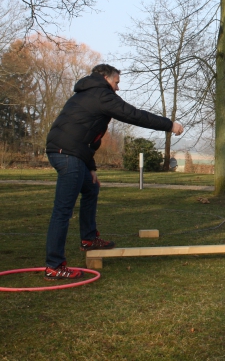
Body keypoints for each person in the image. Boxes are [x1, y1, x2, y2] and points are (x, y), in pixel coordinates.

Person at [44, 64, 184, 280]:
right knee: (63, 211)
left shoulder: (88, 93)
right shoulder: (101, 94)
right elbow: (133, 115)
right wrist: (169, 125)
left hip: (70, 152)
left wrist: (90, 168)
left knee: (91, 188)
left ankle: (89, 239)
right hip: (67, 154)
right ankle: (55, 265)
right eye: (116, 82)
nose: (117, 88)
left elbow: (85, 135)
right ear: (105, 78)